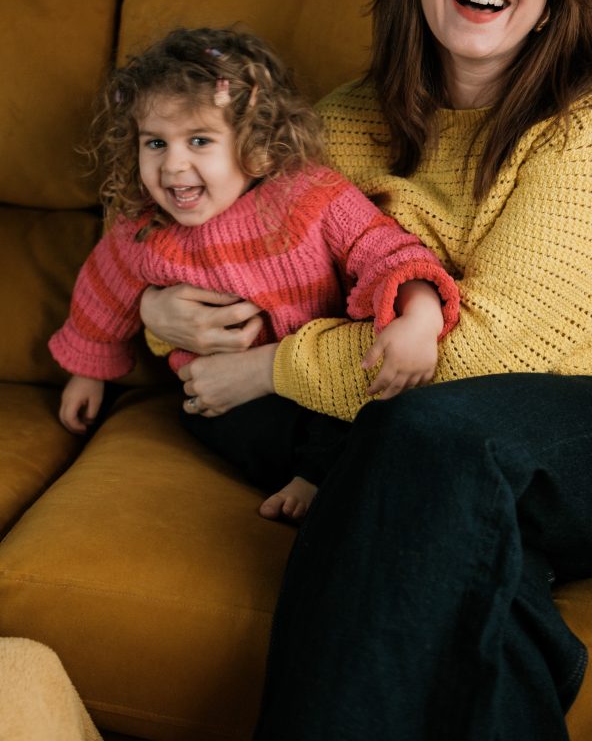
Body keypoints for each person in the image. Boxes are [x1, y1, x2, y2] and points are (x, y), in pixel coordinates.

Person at [139, 0, 592, 739]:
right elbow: (240, 253)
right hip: (412, 441)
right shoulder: (344, 122)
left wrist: (271, 370)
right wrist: (157, 309)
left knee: (416, 431)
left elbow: (493, 347)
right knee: (463, 562)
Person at [49, 27, 459, 522]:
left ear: (259, 148)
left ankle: (320, 475)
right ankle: (312, 475)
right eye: (155, 142)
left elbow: (384, 250)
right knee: (215, 417)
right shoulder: (141, 227)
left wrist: (418, 317)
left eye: (199, 140)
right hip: (225, 387)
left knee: (368, 410)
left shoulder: (310, 197)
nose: (173, 165)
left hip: (318, 373)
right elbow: (103, 291)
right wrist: (86, 372)